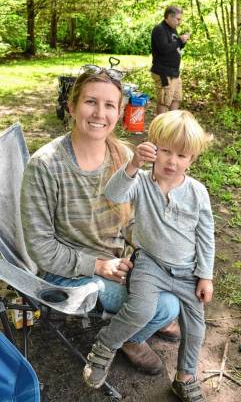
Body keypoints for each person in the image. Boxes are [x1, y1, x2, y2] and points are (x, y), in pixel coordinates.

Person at [20, 69, 181, 376]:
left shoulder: (123, 155)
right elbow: (41, 248)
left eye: (109, 105)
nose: (99, 113)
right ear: (71, 107)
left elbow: (135, 219)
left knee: (177, 288)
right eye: (90, 102)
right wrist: (98, 265)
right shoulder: (45, 166)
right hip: (69, 273)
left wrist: (152, 255)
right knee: (167, 306)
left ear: (119, 113)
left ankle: (137, 322)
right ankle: (131, 340)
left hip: (117, 261)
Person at [83, 110, 215, 402]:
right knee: (140, 309)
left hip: (187, 272)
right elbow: (114, 195)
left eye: (182, 156)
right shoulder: (140, 181)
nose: (172, 161)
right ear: (153, 148)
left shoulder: (197, 193)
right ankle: (104, 347)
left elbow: (206, 236)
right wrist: (132, 164)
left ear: (192, 159)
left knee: (195, 328)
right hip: (150, 264)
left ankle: (185, 377)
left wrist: (205, 275)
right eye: (165, 151)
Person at [151, 5, 190, 115]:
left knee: (176, 98)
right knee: (164, 101)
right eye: (178, 19)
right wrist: (179, 41)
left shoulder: (173, 30)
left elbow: (175, 48)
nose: (179, 22)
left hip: (174, 72)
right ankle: (161, 128)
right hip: (163, 72)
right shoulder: (160, 29)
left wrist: (182, 42)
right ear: (169, 16)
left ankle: (172, 126)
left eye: (180, 19)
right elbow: (164, 49)